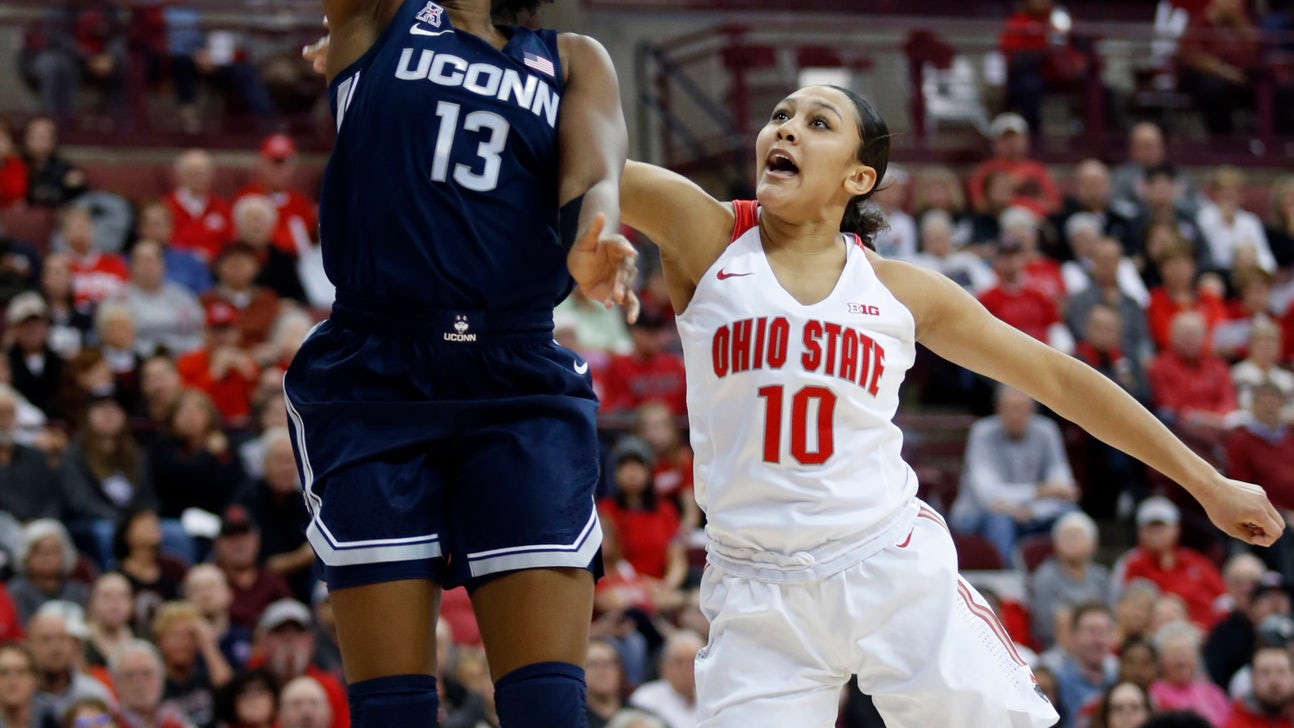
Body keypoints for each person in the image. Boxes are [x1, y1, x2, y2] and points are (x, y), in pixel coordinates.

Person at [616, 84, 1282, 727]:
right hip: (754, 589)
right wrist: (589, 225)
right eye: (780, 115)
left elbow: (1060, 380)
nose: (786, 127)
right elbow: (565, 148)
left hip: (886, 564)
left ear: (859, 177)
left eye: (819, 123)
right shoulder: (705, 234)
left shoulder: (899, 290)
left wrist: (1207, 482)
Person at [295, 0, 637, 725]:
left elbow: (597, 174)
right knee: (394, 711)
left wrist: (595, 231)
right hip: (374, 372)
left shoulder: (573, 57)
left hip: (516, 373)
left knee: (548, 707)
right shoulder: (380, 18)